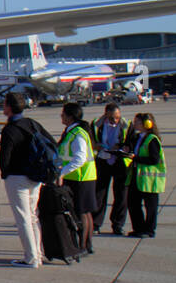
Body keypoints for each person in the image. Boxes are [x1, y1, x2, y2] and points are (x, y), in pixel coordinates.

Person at [0, 93, 47, 268]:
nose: (3, 107)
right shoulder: (32, 124)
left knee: (23, 219)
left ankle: (31, 258)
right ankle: (38, 254)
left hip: (17, 177)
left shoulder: (10, 129)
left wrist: (5, 173)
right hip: (35, 177)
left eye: (4, 105)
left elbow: (5, 157)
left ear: (9, 107)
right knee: (33, 217)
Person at [56, 102, 97, 255]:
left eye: (63, 114)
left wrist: (62, 172)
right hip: (81, 177)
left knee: (82, 213)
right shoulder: (72, 132)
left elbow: (79, 159)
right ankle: (87, 244)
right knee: (85, 212)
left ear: (70, 116)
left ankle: (83, 246)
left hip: (80, 178)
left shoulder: (77, 133)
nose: (61, 116)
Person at [91, 103, 131, 234]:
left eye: (118, 117)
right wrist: (95, 145)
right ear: (106, 114)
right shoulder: (96, 125)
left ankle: (118, 224)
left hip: (120, 161)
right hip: (103, 160)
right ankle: (96, 223)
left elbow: (131, 142)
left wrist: (123, 147)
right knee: (99, 194)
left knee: (121, 194)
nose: (116, 120)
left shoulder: (126, 125)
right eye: (113, 117)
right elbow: (90, 140)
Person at [123, 113, 164, 238]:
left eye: (138, 122)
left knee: (150, 206)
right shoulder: (136, 137)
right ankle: (139, 228)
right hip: (137, 176)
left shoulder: (152, 139)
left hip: (150, 178)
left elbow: (154, 159)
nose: (135, 124)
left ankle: (149, 230)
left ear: (147, 124)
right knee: (132, 203)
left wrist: (136, 158)